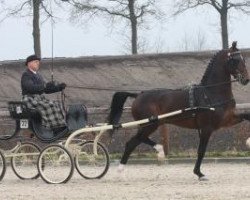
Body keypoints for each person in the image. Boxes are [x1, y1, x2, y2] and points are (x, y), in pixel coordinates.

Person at [21, 54, 67, 134]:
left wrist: (59, 87)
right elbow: (30, 87)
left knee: (55, 104)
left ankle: (61, 125)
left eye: (38, 62)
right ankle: (54, 128)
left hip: (39, 98)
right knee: (49, 105)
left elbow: (46, 90)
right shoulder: (26, 75)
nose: (38, 63)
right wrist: (45, 85)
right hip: (30, 99)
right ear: (29, 63)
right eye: (35, 62)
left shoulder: (38, 75)